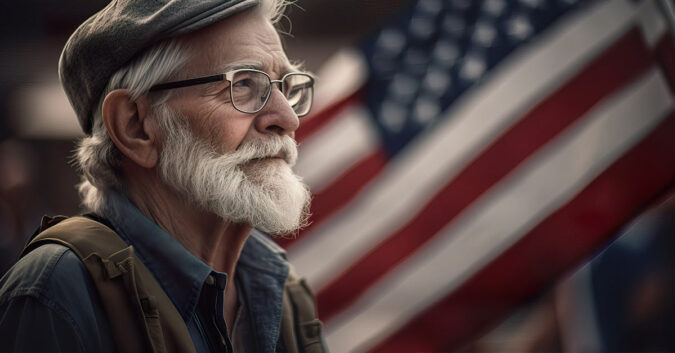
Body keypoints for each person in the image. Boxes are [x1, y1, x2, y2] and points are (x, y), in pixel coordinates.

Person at [0, 0, 324, 352]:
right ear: (135, 126)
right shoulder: (58, 294)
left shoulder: (285, 293)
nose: (287, 119)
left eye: (286, 88)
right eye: (244, 84)